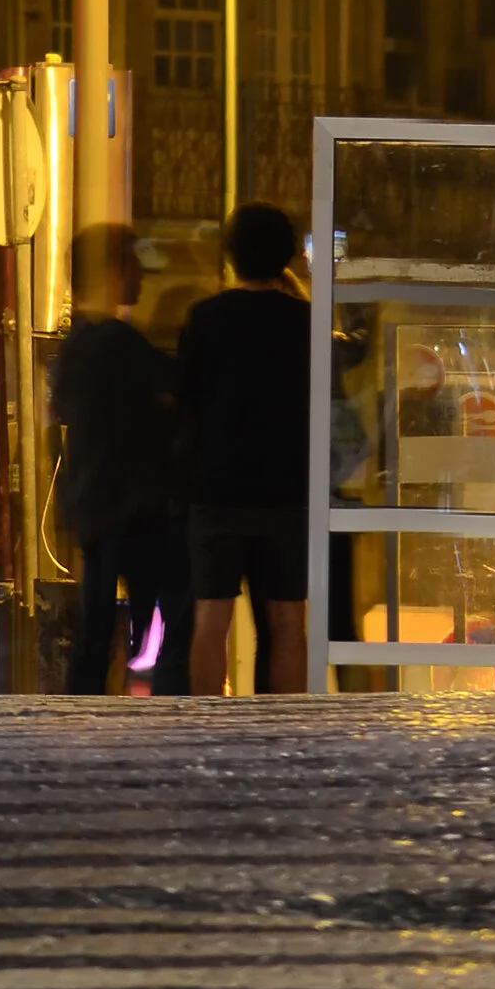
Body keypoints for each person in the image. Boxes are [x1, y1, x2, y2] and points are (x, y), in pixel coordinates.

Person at [177, 200, 313, 695]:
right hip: (288, 489)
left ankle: (207, 728)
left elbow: (185, 401)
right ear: (289, 255)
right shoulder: (306, 323)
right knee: (285, 622)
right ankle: (284, 732)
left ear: (231, 256)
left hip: (216, 490)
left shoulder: (205, 318)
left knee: (211, 618)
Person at [48, 221, 189, 693]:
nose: (143, 276)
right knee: (173, 614)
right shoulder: (118, 343)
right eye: (132, 264)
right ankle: (168, 703)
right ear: (111, 271)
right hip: (133, 506)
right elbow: (174, 394)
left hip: (96, 506)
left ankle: (84, 707)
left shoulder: (78, 347)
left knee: (97, 622)